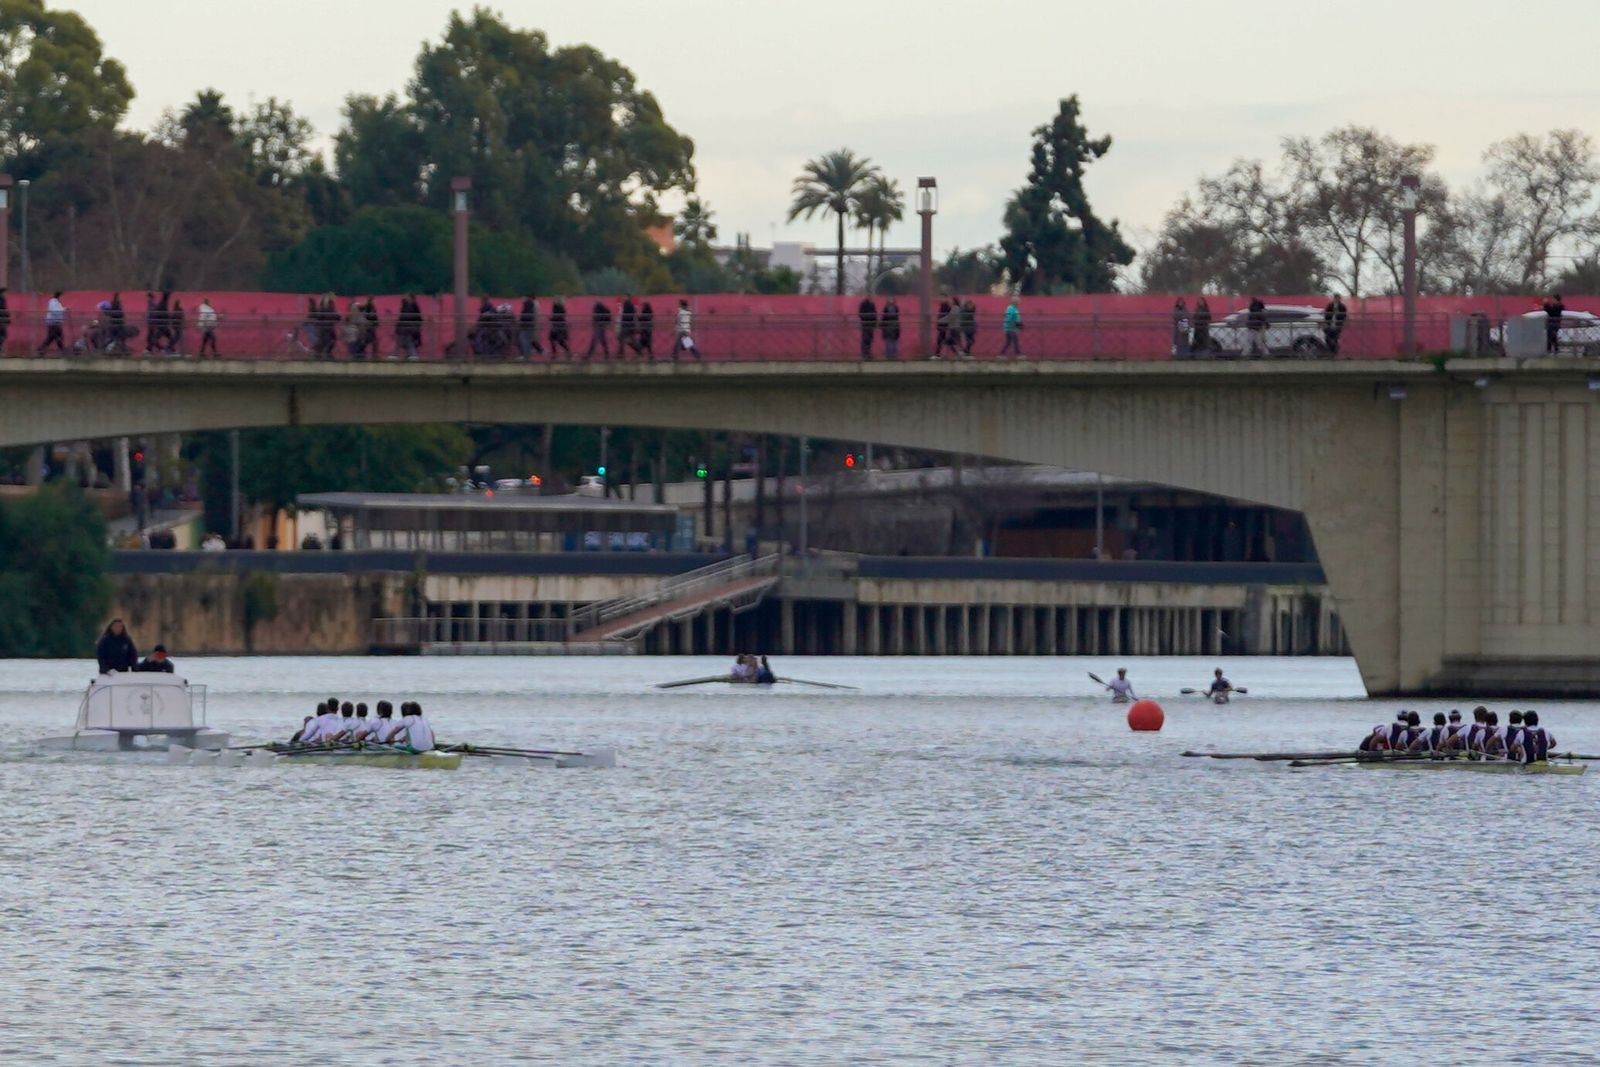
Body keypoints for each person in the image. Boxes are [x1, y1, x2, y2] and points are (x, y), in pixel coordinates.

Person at [395, 294, 423, 360]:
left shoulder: (412, 306)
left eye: (408, 298)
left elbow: (411, 316)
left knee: (405, 340)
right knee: (406, 341)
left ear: (411, 298)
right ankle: (411, 354)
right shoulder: (409, 305)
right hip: (406, 326)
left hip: (408, 326)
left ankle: (411, 355)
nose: (407, 299)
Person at [0, 287, 9, 353]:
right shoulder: (1, 300)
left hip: (3, 320)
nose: (4, 294)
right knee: (3, 334)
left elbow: (5, 309)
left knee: (4, 335)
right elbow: (3, 309)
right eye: (3, 292)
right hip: (1, 320)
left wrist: (7, 318)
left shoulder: (3, 300)